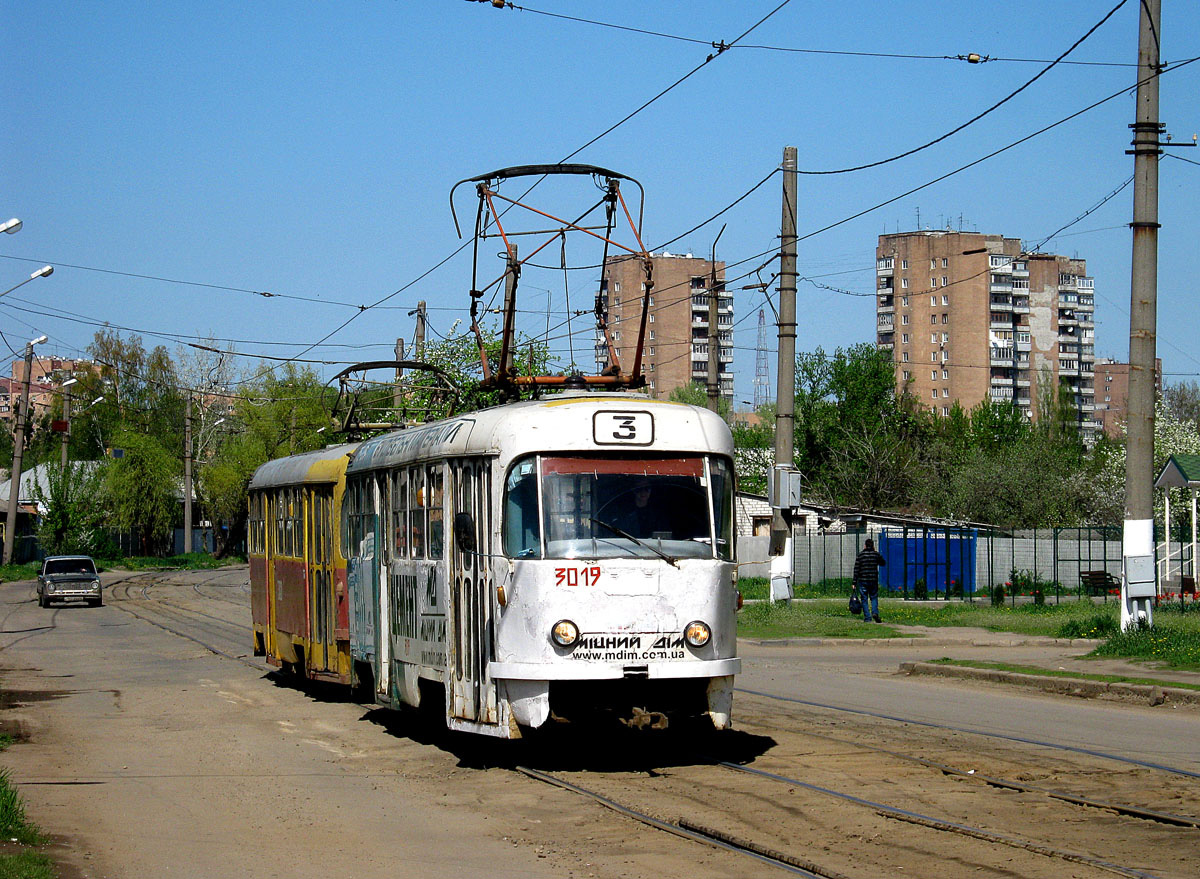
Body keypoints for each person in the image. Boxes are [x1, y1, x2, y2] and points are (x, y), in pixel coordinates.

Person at [852, 538, 886, 623]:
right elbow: (883, 563)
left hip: (863, 580)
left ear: (865, 545)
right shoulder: (876, 555)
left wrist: (854, 582)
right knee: (874, 597)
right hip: (873, 580)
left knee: (864, 599)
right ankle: (875, 612)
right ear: (873, 546)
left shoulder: (860, 555)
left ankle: (867, 617)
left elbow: (856, 569)